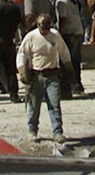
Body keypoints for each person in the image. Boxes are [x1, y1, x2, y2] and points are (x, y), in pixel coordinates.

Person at [16, 13, 72, 143]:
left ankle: (57, 132)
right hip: (36, 75)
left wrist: (69, 66)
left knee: (54, 104)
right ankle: (32, 130)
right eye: (43, 28)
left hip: (52, 74)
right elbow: (22, 55)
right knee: (34, 106)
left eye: (47, 28)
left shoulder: (55, 35)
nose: (45, 31)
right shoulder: (31, 37)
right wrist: (22, 71)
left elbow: (64, 51)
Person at [49, 0, 84, 97]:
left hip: (69, 33)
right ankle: (77, 85)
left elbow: (62, 20)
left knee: (66, 61)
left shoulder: (61, 1)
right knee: (75, 60)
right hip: (78, 31)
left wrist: (60, 36)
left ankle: (69, 87)